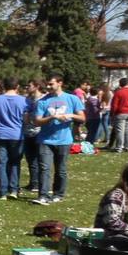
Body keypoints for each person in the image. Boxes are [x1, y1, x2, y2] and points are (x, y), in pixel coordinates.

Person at [31, 74, 84, 205]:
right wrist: (52, 117)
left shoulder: (72, 99)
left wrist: (70, 115)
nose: (48, 87)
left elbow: (82, 118)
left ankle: (58, 194)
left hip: (64, 140)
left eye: (51, 84)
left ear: (60, 83)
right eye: (48, 84)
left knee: (61, 169)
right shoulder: (42, 101)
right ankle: (43, 195)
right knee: (44, 168)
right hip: (45, 140)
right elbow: (37, 121)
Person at [0, 79, 28, 198]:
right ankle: (13, 189)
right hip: (16, 135)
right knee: (15, 162)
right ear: (17, 86)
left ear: (4, 86)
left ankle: (2, 191)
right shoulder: (24, 101)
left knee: (0, 163)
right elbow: (25, 119)